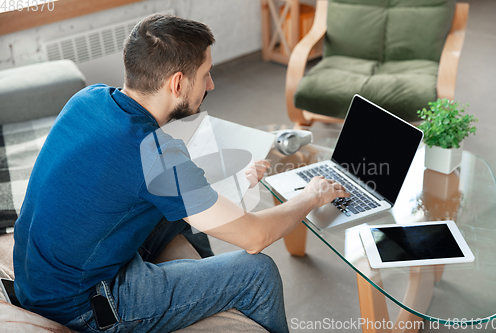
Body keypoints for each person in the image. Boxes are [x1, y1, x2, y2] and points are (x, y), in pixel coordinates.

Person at [13, 14, 349, 333]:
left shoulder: (89, 98)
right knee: (257, 272)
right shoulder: (154, 151)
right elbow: (255, 237)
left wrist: (222, 178)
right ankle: (222, 289)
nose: (212, 85)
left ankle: (208, 288)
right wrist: (311, 195)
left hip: (39, 279)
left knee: (186, 215)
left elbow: (133, 175)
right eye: (206, 74)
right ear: (177, 83)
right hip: (82, 305)